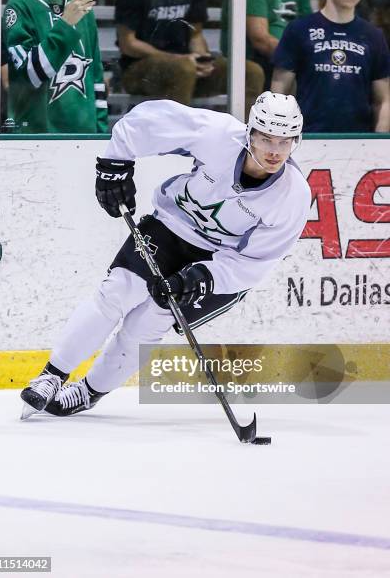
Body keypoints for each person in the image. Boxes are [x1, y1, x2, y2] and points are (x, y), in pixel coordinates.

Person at [20, 92, 311, 418]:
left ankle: (88, 392)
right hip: (172, 227)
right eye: (267, 138)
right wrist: (115, 163)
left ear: (295, 141)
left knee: (146, 323)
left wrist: (202, 278)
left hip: (219, 263)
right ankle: (51, 375)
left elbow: (259, 261)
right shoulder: (217, 135)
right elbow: (146, 121)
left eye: (285, 141)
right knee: (117, 291)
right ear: (250, 134)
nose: (275, 150)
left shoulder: (293, 196)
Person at [114, 0, 264, 119]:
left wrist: (203, 59)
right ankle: (176, 137)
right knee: (183, 69)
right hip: (138, 70)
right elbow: (128, 43)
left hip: (187, 67)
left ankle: (244, 135)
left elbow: (195, 35)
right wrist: (177, 59)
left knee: (251, 72)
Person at [272, 0, 390, 132]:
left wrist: (379, 145)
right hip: (308, 137)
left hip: (359, 142)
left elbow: (383, 101)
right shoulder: (299, 30)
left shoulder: (374, 36)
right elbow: (279, 92)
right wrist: (280, 138)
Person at [3, 0, 108, 133]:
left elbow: (96, 76)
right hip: (37, 134)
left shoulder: (81, 7)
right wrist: (66, 24)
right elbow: (29, 74)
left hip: (85, 133)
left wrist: (101, 131)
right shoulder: (18, 6)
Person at [221, 0, 312, 89]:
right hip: (255, 57)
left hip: (287, 57)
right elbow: (259, 39)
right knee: (291, 74)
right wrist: (298, 58)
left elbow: (311, 33)